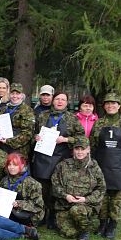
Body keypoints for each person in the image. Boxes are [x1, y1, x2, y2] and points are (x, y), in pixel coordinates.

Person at [32, 91, 84, 229]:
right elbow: (33, 132)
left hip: (61, 158)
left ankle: (53, 217)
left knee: (56, 189)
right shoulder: (43, 115)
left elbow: (82, 138)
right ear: (53, 101)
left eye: (63, 100)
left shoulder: (72, 119)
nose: (60, 102)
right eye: (57, 99)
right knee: (42, 188)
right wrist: (36, 136)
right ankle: (42, 215)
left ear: (67, 103)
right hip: (42, 157)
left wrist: (66, 139)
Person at [91, 93, 121, 240]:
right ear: (104, 106)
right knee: (103, 198)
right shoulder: (99, 123)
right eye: (107, 103)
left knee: (117, 199)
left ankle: (112, 226)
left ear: (119, 106)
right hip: (102, 166)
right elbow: (93, 145)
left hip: (120, 167)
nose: (110, 106)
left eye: (114, 103)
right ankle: (102, 224)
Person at [52, 137, 106, 240]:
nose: (80, 152)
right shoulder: (64, 165)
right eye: (77, 149)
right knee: (68, 233)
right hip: (65, 205)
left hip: (85, 205)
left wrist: (86, 199)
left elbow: (101, 188)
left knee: (77, 210)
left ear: (88, 149)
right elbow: (55, 183)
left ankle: (84, 230)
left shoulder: (94, 167)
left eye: (83, 149)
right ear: (73, 150)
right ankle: (80, 223)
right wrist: (65, 195)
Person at [0, 153, 44, 226]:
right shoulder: (5, 180)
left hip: (27, 216)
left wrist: (19, 204)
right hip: (8, 212)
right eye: (9, 165)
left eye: (15, 165)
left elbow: (38, 206)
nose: (11, 167)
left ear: (22, 165)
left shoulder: (33, 183)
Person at [0, 83, 35, 157]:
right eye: (12, 93)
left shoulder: (27, 110)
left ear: (22, 95)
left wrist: (8, 141)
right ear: (9, 94)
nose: (15, 96)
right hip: (2, 148)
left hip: (18, 150)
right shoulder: (3, 109)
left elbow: (27, 133)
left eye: (17, 93)